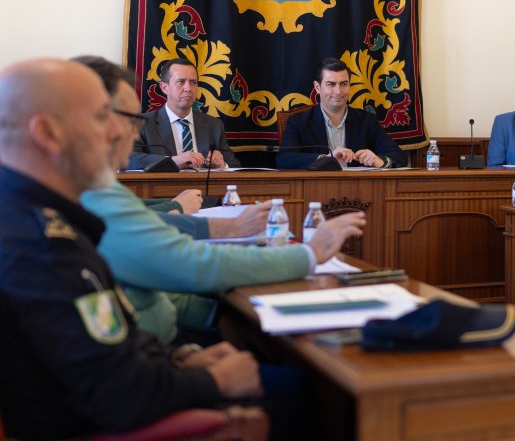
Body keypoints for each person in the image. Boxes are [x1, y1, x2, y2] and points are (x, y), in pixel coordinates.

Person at [0, 58, 261, 438]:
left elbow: (108, 344)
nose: (116, 134)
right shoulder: (40, 243)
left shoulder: (43, 215)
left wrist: (178, 358)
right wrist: (214, 381)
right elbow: (117, 396)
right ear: (48, 133)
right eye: (101, 116)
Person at [74, 56, 367, 343]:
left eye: (193, 82)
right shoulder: (82, 197)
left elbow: (141, 217)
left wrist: (223, 223)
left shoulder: (94, 190)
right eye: (128, 118)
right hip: (151, 361)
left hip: (165, 343)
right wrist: (309, 254)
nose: (133, 130)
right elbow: (193, 264)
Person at [277, 58, 408, 169]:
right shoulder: (299, 121)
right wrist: (327, 159)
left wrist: (381, 161)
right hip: (315, 190)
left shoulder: (367, 120)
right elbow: (284, 159)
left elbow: (399, 156)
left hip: (359, 192)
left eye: (344, 84)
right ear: (317, 87)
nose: (338, 91)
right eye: (331, 84)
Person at [128, 58, 240, 169]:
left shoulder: (214, 125)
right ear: (164, 88)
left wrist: (222, 165)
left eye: (193, 82)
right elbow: (129, 160)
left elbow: (235, 166)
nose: (188, 88)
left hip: (204, 186)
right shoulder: (143, 123)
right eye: (181, 82)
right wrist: (173, 161)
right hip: (165, 186)